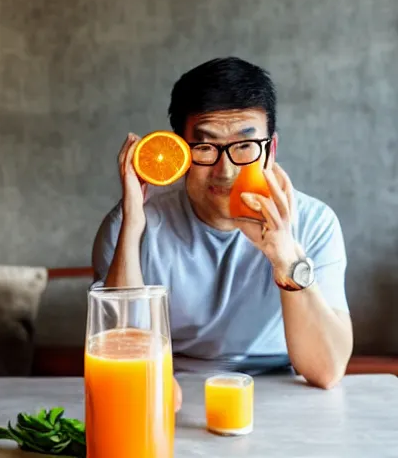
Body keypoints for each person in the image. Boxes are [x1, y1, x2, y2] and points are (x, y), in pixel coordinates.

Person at [91, 57, 353, 406]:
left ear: (270, 150)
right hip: (170, 395)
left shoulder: (316, 222)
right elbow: (123, 363)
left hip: (284, 397)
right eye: (205, 147)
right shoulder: (132, 224)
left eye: (245, 146)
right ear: (180, 151)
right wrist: (132, 228)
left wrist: (286, 256)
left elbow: (327, 370)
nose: (225, 169)